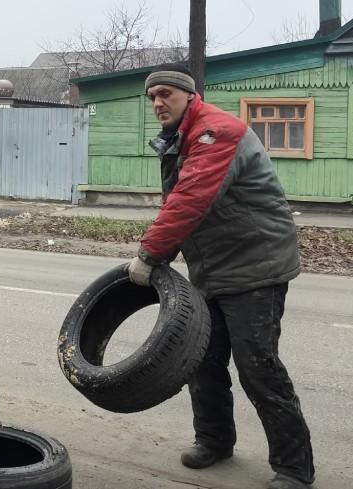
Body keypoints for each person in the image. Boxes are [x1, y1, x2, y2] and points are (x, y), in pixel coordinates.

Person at [128, 63, 314, 489]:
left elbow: (192, 198)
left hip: (255, 267)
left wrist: (150, 254)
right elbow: (182, 204)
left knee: (258, 368)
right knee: (203, 360)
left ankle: (293, 467)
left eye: (166, 95)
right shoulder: (181, 136)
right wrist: (166, 253)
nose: (157, 103)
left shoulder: (216, 131)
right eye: (152, 96)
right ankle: (214, 441)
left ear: (190, 95)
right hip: (211, 268)